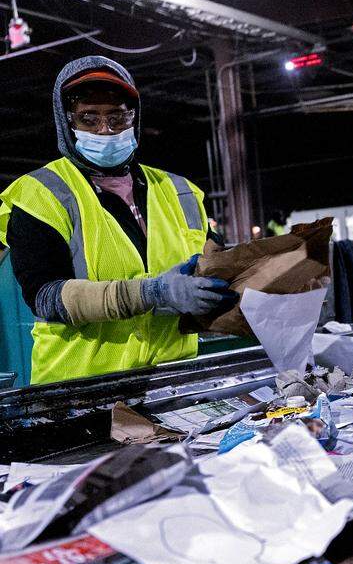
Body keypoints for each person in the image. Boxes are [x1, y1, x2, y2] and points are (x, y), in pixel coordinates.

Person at [0, 56, 235, 385]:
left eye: (117, 117)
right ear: (68, 123)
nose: (105, 130)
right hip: (82, 390)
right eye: (89, 119)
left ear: (134, 119)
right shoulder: (41, 195)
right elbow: (47, 297)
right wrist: (153, 294)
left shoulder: (179, 191)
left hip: (172, 382)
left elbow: (216, 263)